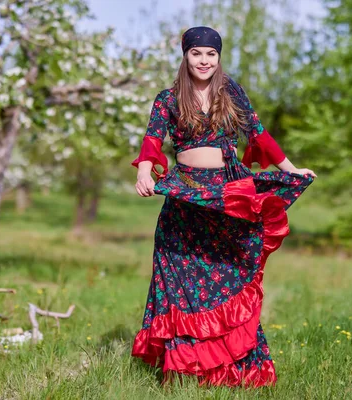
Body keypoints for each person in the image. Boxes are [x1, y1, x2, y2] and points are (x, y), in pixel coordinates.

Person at [130, 26, 315, 388]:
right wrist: (144, 172)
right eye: (196, 53)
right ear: (185, 56)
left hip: (226, 198)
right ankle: (185, 372)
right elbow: (152, 139)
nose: (204, 60)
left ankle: (235, 371)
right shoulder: (167, 99)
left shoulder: (231, 93)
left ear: (219, 57)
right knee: (182, 285)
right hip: (186, 198)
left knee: (226, 281)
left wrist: (292, 170)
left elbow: (258, 134)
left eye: (211, 54)